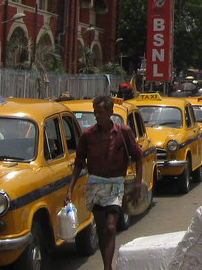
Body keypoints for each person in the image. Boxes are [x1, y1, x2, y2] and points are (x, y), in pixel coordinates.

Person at [66, 93, 143, 270]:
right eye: (95, 112)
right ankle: (106, 264)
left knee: (110, 226)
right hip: (95, 185)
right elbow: (79, 163)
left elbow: (138, 157)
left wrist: (138, 184)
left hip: (116, 185)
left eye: (100, 112)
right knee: (101, 228)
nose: (97, 115)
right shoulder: (88, 135)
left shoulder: (123, 132)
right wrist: (69, 189)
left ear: (110, 112)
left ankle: (108, 267)